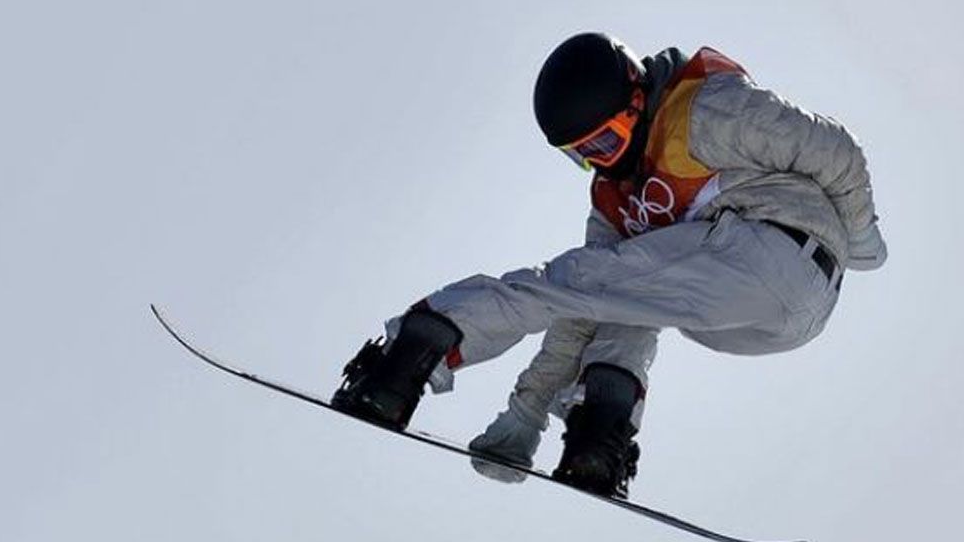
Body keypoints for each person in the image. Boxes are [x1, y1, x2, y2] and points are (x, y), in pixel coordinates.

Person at [331, 32, 887, 498]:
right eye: (582, 154)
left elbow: (836, 152)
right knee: (615, 297)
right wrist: (524, 420)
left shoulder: (705, 110)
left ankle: (410, 355)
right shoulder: (616, 200)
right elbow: (580, 308)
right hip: (764, 320)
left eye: (603, 139)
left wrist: (862, 243)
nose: (601, 159)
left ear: (636, 101)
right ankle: (599, 432)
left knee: (578, 279)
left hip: (780, 246)